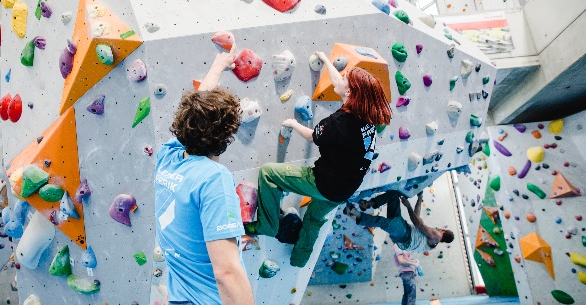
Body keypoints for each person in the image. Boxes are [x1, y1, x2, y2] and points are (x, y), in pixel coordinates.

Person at [247, 51, 393, 267]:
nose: (340, 79)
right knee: (314, 220)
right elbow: (339, 82)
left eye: (344, 79)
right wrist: (325, 61)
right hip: (345, 189)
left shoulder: (341, 121)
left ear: (351, 91)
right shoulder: (367, 118)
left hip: (324, 183)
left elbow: (313, 135)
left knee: (269, 173)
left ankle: (267, 225)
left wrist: (293, 124)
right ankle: (300, 259)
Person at [154, 46, 254, 305]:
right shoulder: (213, 179)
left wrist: (218, 66)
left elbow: (196, 110)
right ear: (226, 136)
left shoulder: (168, 157)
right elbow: (226, 272)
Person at [345, 190, 454, 252]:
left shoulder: (437, 236)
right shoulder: (432, 240)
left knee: (384, 222)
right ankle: (367, 204)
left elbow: (418, 223)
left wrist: (408, 206)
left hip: (405, 235)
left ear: (444, 231)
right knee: (394, 195)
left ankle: (355, 212)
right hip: (404, 229)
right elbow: (417, 217)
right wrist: (420, 198)